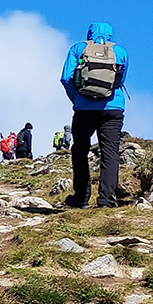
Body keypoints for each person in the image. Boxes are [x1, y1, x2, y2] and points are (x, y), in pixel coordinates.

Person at [61, 22, 129, 209]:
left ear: (89, 32)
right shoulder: (120, 51)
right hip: (113, 108)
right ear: (110, 34)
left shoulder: (78, 48)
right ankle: (106, 201)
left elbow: (66, 78)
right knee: (110, 152)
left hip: (84, 109)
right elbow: (120, 81)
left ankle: (81, 199)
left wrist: (78, 99)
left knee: (80, 149)